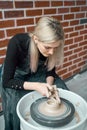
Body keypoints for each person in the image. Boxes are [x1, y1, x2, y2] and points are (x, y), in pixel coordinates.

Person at [1, 16, 69, 130]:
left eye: (55, 48)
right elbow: (7, 81)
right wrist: (37, 86)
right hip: (15, 76)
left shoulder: (51, 49)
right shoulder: (17, 42)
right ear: (36, 39)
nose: (52, 52)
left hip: (37, 71)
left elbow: (50, 70)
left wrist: (49, 86)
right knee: (16, 105)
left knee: (61, 89)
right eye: (48, 47)